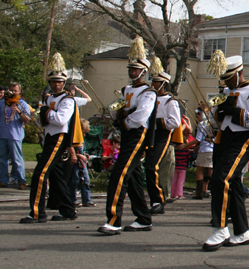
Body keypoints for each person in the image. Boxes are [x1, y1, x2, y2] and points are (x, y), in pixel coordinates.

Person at [202, 51, 249, 250]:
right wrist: (215, 115)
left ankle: (221, 228)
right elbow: (218, 121)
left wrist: (234, 112)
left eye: (228, 78)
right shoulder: (225, 93)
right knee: (231, 183)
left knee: (220, 178)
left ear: (238, 72)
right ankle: (242, 232)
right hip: (224, 138)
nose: (225, 82)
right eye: (223, 79)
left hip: (243, 138)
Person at [97, 37, 157, 235]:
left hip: (137, 134)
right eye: (130, 69)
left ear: (143, 71)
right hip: (127, 133)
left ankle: (114, 219)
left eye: (135, 69)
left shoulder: (149, 92)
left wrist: (124, 119)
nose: (132, 72)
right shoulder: (127, 89)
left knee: (120, 173)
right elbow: (120, 109)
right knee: (133, 178)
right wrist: (119, 117)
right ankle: (143, 217)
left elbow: (140, 117)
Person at [20, 54, 83, 223]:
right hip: (49, 136)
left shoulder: (67, 100)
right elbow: (44, 123)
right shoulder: (50, 99)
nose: (56, 84)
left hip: (58, 138)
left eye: (59, 82)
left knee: (40, 174)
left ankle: (37, 212)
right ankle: (68, 209)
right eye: (53, 82)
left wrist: (47, 113)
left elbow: (61, 120)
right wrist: (46, 115)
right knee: (56, 176)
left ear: (64, 83)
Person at [143, 59, 183, 214]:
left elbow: (174, 122)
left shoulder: (170, 101)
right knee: (146, 168)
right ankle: (151, 199)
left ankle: (158, 200)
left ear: (164, 84)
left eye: (157, 82)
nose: (153, 84)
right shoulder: (148, 97)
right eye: (153, 81)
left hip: (161, 135)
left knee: (152, 166)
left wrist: (154, 122)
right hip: (148, 134)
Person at [0, 82, 32, 189]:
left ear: (19, 92)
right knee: (1, 158)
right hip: (2, 134)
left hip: (15, 136)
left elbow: (27, 120)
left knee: (17, 160)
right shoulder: (2, 103)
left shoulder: (22, 104)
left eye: (15, 91)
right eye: (11, 90)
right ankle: (3, 180)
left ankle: (21, 181)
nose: (13, 93)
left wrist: (19, 111)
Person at [193, 108, 215, 200]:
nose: (197, 117)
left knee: (200, 171)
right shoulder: (214, 124)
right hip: (213, 149)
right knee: (211, 171)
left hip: (204, 150)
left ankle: (199, 193)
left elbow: (198, 139)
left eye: (198, 115)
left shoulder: (202, 124)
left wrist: (185, 145)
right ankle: (217, 190)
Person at [172, 120, 196, 199]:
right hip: (183, 167)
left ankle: (173, 193)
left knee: (174, 180)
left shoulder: (175, 150)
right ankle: (180, 194)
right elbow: (189, 157)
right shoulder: (185, 150)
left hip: (176, 166)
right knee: (181, 181)